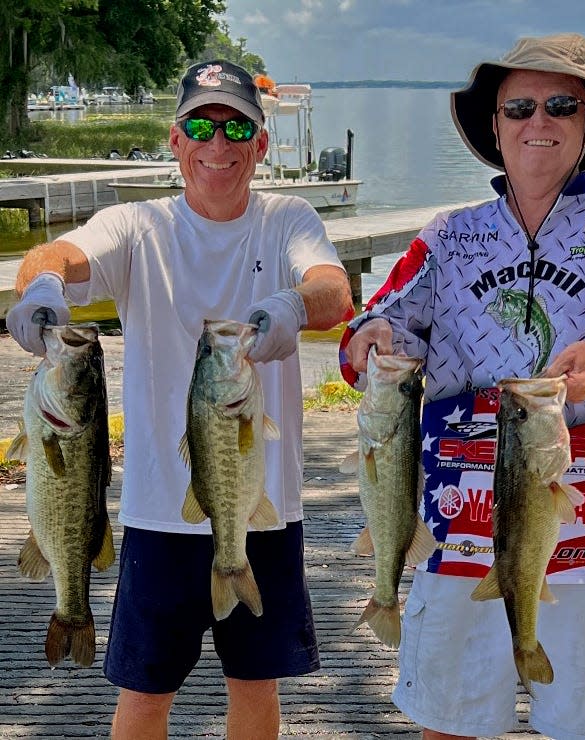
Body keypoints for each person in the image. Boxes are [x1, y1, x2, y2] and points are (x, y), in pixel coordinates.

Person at [340, 33, 585, 740]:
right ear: (494, 124)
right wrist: (368, 340)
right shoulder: (447, 237)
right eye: (519, 107)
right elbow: (380, 328)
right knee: (448, 721)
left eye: (561, 105)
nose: (539, 121)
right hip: (453, 517)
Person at [7, 60, 354, 739]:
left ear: (260, 143)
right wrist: (41, 288)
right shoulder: (136, 225)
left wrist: (293, 303)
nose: (217, 145)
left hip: (261, 511)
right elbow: (54, 255)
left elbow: (332, 290)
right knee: (143, 696)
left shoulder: (288, 218)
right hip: (157, 513)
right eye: (200, 125)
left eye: (235, 127)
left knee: (254, 687)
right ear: (174, 140)